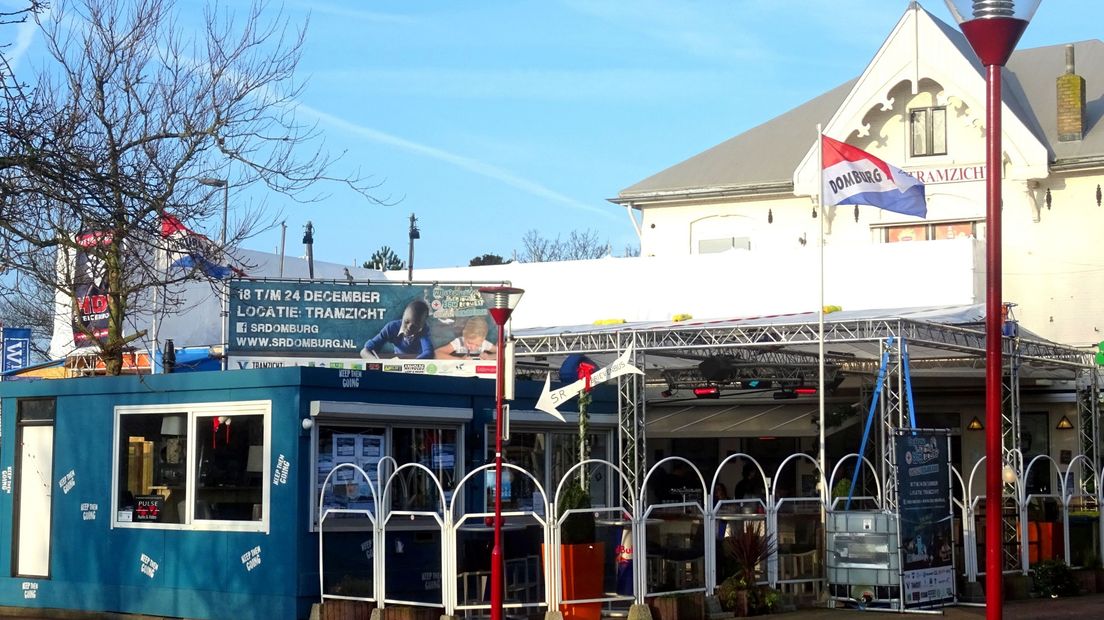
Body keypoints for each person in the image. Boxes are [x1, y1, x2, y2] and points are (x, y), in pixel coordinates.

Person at [361, 299, 433, 359]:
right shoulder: (392, 327)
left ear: (421, 326)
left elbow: (428, 353)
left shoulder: (424, 330)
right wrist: (376, 362)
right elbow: (365, 351)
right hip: (397, 362)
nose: (408, 328)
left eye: (414, 326)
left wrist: (411, 365)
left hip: (417, 365)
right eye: (406, 321)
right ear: (403, 315)